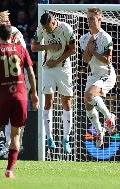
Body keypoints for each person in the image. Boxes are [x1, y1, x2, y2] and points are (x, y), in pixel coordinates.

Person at [0, 24, 39, 178]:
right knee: (16, 136)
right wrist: (34, 93)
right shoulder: (22, 50)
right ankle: (9, 170)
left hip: (2, 97)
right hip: (20, 97)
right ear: (12, 36)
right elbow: (31, 72)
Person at [31, 12, 76, 153]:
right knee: (48, 101)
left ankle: (66, 139)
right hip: (48, 68)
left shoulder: (66, 28)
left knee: (67, 102)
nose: (46, 30)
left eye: (48, 28)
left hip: (63, 68)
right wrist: (48, 47)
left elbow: (73, 49)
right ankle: (49, 137)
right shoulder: (41, 29)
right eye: (44, 28)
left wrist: (57, 61)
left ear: (53, 22)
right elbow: (34, 47)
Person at [0, 10, 28, 158]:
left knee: (14, 114)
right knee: (10, 114)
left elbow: (17, 52)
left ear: (4, 21)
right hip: (10, 76)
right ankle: (10, 144)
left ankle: (13, 142)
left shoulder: (14, 31)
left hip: (18, 75)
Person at [79, 8, 117, 148]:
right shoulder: (84, 38)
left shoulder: (106, 37)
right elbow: (85, 60)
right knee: (88, 103)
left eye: (92, 18)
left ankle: (109, 117)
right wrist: (89, 47)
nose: (89, 21)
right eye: (88, 18)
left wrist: (94, 50)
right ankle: (100, 131)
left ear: (99, 19)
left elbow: (107, 60)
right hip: (93, 74)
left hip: (106, 73)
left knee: (90, 94)